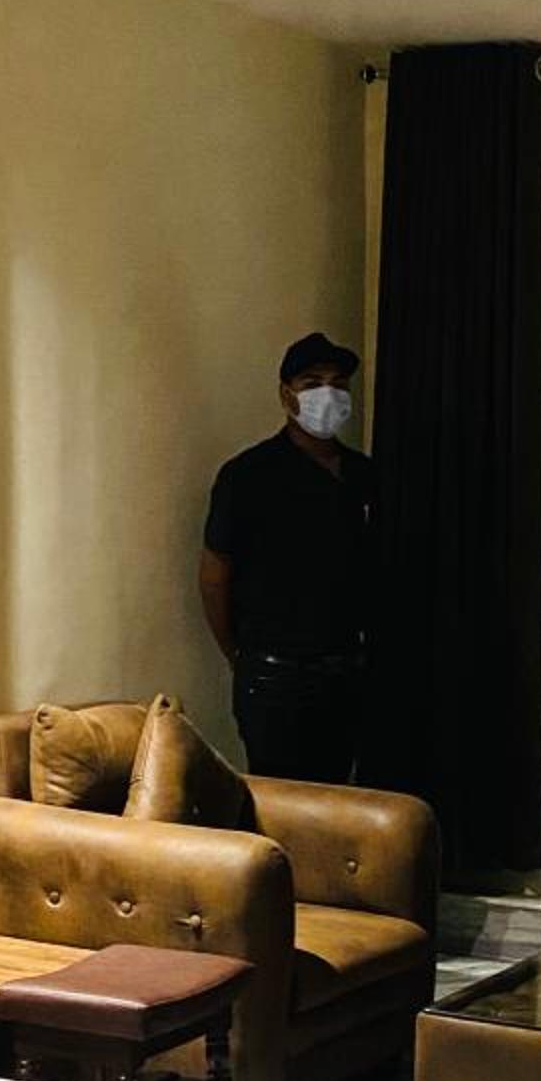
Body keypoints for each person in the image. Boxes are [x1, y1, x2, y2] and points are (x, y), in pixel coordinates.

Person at [200, 332, 374, 781]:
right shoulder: (248, 476)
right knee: (281, 797)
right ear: (286, 394)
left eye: (338, 384)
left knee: (339, 795)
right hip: (274, 676)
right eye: (312, 383)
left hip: (346, 670)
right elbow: (215, 575)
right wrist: (240, 655)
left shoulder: (365, 475)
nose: (327, 395)